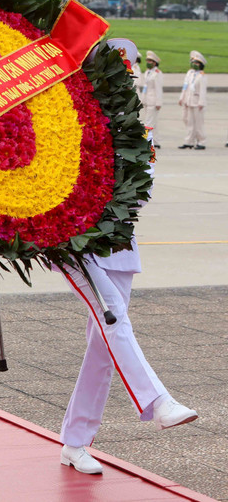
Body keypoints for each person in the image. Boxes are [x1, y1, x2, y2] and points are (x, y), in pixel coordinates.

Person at [58, 127, 197, 476]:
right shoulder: (66, 116)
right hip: (73, 239)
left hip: (117, 243)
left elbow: (141, 188)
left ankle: (74, 442)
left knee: (104, 348)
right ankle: (158, 401)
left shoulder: (139, 131)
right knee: (113, 319)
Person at [177, 51, 207, 150]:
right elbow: (186, 87)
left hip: (197, 102)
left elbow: (202, 90)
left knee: (199, 123)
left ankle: (201, 141)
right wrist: (182, 98)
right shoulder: (191, 74)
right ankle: (189, 141)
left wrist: (201, 102)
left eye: (197, 63)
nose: (194, 64)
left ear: (201, 65)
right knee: (190, 123)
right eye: (193, 62)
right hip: (189, 101)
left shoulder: (202, 76)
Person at [141, 51, 163, 148]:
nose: (148, 62)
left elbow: (158, 89)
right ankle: (156, 141)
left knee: (149, 122)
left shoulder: (157, 74)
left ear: (154, 62)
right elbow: (145, 87)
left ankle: (146, 142)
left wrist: (158, 102)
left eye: (150, 61)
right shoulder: (147, 72)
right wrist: (142, 100)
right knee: (154, 123)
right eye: (147, 60)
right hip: (147, 101)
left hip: (153, 101)